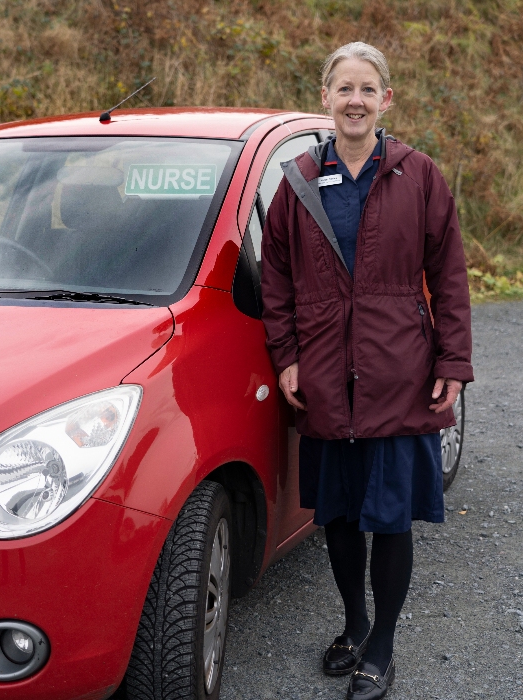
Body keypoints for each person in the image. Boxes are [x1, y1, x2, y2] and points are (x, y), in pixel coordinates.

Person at [260, 42, 473, 699]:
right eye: (343, 87)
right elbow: (277, 280)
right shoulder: (296, 182)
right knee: (342, 515)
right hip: (325, 372)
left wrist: (454, 360)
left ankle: (382, 642)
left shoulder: (419, 176)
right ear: (324, 97)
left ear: (387, 99)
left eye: (367, 89)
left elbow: (450, 275)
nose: (354, 100)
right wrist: (288, 355)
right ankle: (354, 623)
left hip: (398, 372)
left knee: (391, 516)